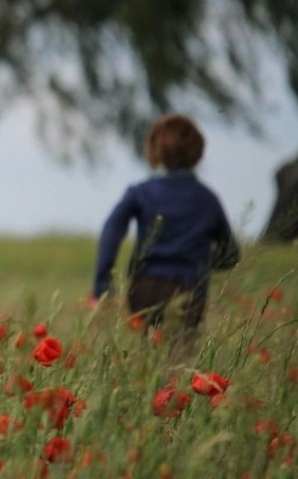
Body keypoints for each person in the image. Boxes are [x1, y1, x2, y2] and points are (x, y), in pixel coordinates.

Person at [90, 113, 240, 332]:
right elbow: (231, 254)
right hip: (190, 289)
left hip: (145, 288)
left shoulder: (140, 193)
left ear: (155, 150)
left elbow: (111, 231)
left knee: (149, 347)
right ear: (197, 153)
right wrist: (199, 262)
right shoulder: (208, 200)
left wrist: (102, 286)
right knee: (181, 351)